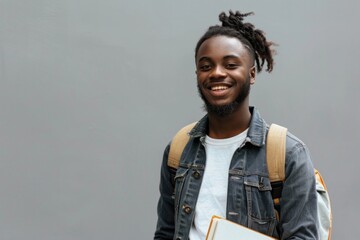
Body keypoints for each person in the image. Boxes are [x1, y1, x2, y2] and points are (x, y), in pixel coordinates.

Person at [154, 11, 318, 240]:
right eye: (205, 66)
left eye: (230, 64)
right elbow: (165, 233)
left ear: (251, 74)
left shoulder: (288, 153)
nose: (217, 73)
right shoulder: (179, 149)